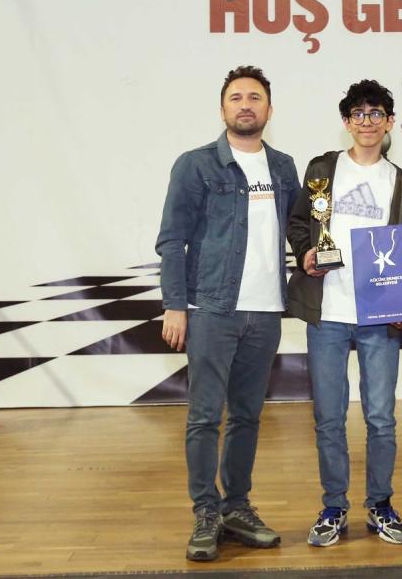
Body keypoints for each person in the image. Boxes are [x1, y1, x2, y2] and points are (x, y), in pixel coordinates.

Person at [156, 66, 298, 562]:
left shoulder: (283, 167)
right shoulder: (196, 165)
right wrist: (175, 304)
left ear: (269, 109)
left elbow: (302, 230)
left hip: (266, 310)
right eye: (236, 97)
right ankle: (206, 512)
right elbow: (172, 239)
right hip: (212, 309)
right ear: (222, 109)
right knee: (203, 417)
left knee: (247, 416)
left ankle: (236, 508)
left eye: (254, 97)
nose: (245, 105)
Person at [286, 79, 402, 548]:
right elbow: (299, 222)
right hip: (328, 311)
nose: (367, 121)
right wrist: (305, 251)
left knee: (381, 417)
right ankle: (333, 507)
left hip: (380, 315)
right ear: (346, 122)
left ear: (389, 122)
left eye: (376, 113)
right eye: (358, 114)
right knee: (329, 417)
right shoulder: (323, 168)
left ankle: (380, 504)